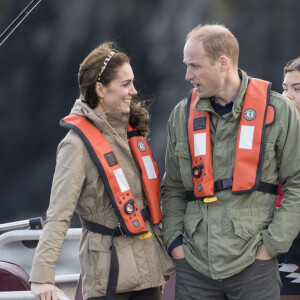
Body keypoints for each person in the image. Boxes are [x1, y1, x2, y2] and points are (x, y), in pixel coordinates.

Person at [161, 24, 300, 300]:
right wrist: (176, 245)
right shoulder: (181, 115)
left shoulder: (279, 111)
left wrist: (270, 247)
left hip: (254, 267)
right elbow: (173, 188)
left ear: (222, 63)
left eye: (195, 66)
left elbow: (297, 184)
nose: (188, 75)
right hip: (194, 267)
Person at [29, 42, 174, 300]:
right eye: (126, 84)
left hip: (149, 274)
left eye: (133, 83)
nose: (134, 91)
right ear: (100, 88)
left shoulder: (131, 134)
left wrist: (159, 265)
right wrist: (42, 277)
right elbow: (58, 215)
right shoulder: (75, 146)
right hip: (109, 277)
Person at [277, 57, 300, 300]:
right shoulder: (275, 136)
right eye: (285, 88)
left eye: (297, 89)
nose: (287, 96)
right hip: (285, 249)